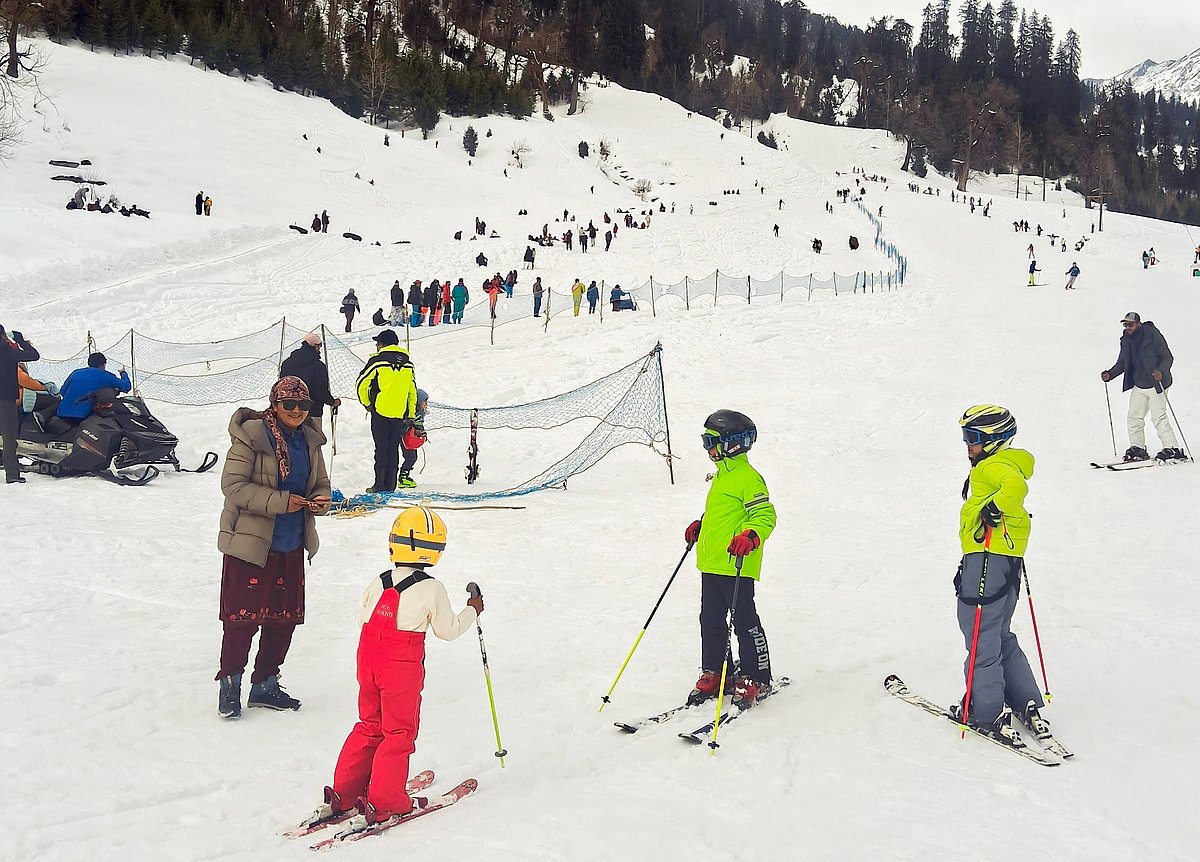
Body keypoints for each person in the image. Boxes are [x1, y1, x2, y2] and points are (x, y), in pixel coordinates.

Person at [319, 506, 483, 833]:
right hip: (400, 665)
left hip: (368, 659)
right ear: (435, 549)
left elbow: (363, 617)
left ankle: (345, 793)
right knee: (398, 732)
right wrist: (472, 611)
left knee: (370, 724)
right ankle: (386, 802)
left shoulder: (378, 581)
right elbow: (447, 630)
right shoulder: (430, 588)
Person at [215, 376, 332, 719]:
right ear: (275, 404)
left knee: (283, 619)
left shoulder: (309, 441)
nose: (297, 411)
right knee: (242, 619)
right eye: (289, 404)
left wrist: (321, 499)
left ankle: (265, 684)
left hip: (291, 539)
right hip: (251, 543)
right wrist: (281, 501)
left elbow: (320, 482)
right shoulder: (252, 436)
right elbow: (233, 486)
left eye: (303, 405)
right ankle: (230, 686)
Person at [949, 405, 1045, 746]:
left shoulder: (995, 466)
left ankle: (984, 709)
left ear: (993, 440)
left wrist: (993, 508)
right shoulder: (1007, 462)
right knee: (996, 630)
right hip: (1006, 560)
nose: (968, 446)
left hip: (987, 557)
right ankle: (1025, 699)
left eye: (973, 439)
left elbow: (1015, 488)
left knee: (978, 631)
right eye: (966, 438)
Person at [683, 410, 776, 707]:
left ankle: (756, 676)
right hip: (711, 563)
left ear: (732, 444)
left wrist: (751, 535)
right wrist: (702, 524)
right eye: (705, 440)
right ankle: (718, 672)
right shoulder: (722, 476)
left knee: (743, 620)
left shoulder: (748, 478)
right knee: (710, 620)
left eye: (710, 441)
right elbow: (723, 515)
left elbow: (764, 515)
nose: (706, 447)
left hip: (737, 564)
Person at [1101, 312, 1183, 462]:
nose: (1127, 327)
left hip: (1156, 383)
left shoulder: (1152, 335)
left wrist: (1161, 372)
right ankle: (1138, 448)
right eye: (1125, 325)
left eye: (1130, 324)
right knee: (1134, 417)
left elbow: (1167, 357)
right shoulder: (1126, 340)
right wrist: (1110, 374)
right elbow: (1122, 363)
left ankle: (1172, 448)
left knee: (1158, 417)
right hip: (1139, 385)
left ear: (1138, 323)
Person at [356, 330, 417, 494]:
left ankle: (379, 484)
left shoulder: (377, 361)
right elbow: (412, 391)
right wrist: (410, 413)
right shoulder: (408, 364)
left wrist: (367, 403)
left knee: (381, 449)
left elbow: (361, 383)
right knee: (393, 448)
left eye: (377, 343)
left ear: (382, 344)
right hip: (399, 413)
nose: (376, 346)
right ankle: (391, 485)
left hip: (380, 411)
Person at [1, 326, 40, 484]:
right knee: (9, 437)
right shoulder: (7, 351)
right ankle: (12, 474)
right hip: (5, 399)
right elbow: (34, 355)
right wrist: (21, 341)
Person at [280, 333, 341, 434]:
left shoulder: (287, 363)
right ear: (316, 346)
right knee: (313, 443)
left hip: (289, 410)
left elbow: (281, 386)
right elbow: (321, 392)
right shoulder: (318, 366)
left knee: (290, 443)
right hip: (312, 411)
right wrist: (332, 402)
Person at [57, 352, 131, 422]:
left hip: (61, 413)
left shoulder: (76, 373)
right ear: (103, 365)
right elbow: (126, 386)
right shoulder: (105, 375)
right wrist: (123, 373)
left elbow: (63, 392)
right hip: (83, 415)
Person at [397, 389, 428, 489]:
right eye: (424, 401)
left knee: (412, 457)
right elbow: (408, 426)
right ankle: (403, 477)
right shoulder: (411, 413)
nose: (426, 404)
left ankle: (405, 476)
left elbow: (419, 426)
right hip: (407, 439)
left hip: (412, 440)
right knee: (410, 457)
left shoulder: (420, 413)